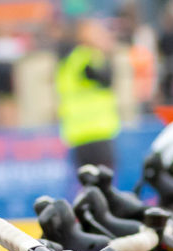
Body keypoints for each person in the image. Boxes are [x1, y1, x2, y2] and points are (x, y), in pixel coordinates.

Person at [56, 18, 120, 171]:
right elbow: (106, 78)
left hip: (78, 134)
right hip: (97, 131)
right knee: (105, 185)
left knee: (85, 184)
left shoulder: (69, 61)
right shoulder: (89, 58)